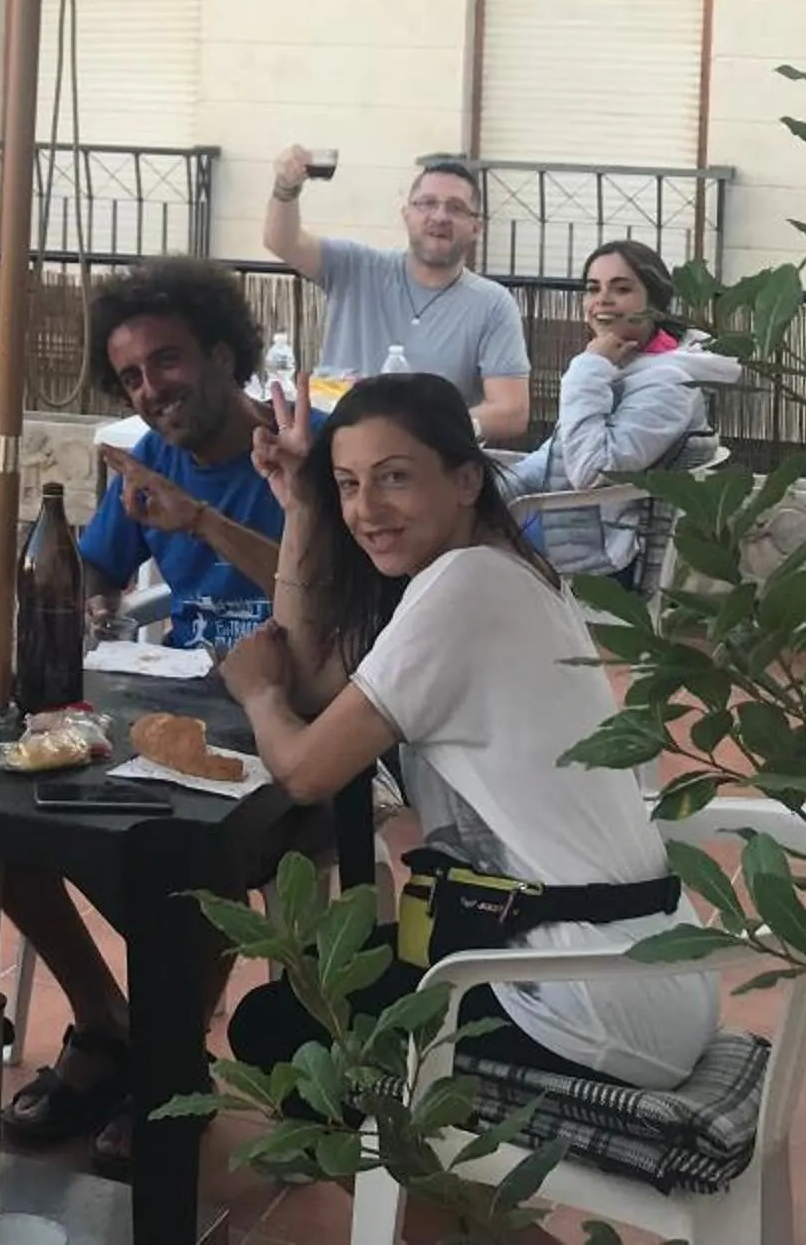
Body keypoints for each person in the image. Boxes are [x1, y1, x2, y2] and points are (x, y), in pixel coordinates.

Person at [217, 373, 718, 1105]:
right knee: (323, 992)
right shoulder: (496, 569)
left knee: (285, 1034)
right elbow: (322, 690)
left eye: (394, 479)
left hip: (584, 998)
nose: (366, 509)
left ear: (465, 480)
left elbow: (304, 770)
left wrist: (255, 692)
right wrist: (302, 506)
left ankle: (459, 1217)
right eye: (348, 485)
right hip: (630, 963)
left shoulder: (468, 587)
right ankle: (447, 1206)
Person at [0, 258, 293, 1173]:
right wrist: (78, 591)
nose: (151, 388)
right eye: (131, 374)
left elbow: (318, 589)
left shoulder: (292, 457)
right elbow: (95, 567)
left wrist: (199, 522)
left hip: (289, 721)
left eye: (167, 360)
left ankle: (173, 1056)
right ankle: (107, 1021)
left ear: (220, 351)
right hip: (163, 707)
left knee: (182, 856)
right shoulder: (148, 463)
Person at [505, 239, 739, 587]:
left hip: (603, 550)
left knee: (449, 548)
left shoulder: (670, 383)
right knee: (443, 521)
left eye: (622, 288)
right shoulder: (624, 364)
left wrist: (589, 366)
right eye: (592, 288)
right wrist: (489, 488)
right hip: (567, 522)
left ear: (655, 304)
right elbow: (553, 456)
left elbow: (591, 471)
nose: (602, 299)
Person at [266, 150, 531, 443]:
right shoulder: (356, 267)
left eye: (456, 208)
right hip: (334, 449)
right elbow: (282, 241)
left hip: (426, 467)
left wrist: (428, 431)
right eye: (427, 203)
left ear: (475, 228)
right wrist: (286, 188)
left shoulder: (492, 304)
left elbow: (512, 412)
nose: (440, 216)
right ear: (406, 214)